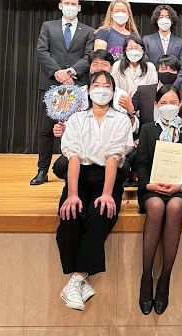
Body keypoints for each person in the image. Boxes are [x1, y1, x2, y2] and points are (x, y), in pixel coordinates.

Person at [56, 71, 134, 311]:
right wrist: (72, 194)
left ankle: (76, 278)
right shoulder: (77, 119)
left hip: (107, 177)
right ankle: (80, 279)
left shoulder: (121, 120)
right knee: (70, 214)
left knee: (101, 213)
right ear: (88, 91)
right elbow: (74, 157)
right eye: (96, 85)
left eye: (107, 86)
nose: (101, 89)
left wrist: (107, 193)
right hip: (79, 175)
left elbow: (113, 157)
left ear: (113, 92)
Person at [136, 85, 182, 315]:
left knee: (174, 207)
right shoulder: (147, 129)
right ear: (156, 105)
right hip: (151, 187)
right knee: (155, 206)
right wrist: (148, 184)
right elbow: (141, 163)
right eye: (163, 103)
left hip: (179, 188)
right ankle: (146, 276)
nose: (168, 106)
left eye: (173, 102)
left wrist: (181, 186)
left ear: (180, 105)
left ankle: (165, 277)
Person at [31, 0, 94, 186]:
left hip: (77, 85)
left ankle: (78, 169)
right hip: (52, 84)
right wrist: (58, 72)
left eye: (74, 4)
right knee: (47, 130)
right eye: (67, 3)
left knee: (77, 128)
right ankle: (42, 171)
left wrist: (71, 72)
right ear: (60, 6)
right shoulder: (48, 26)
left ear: (79, 8)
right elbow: (42, 51)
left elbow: (89, 56)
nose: (70, 7)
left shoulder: (88, 31)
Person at [52, 50, 135, 180]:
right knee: (60, 166)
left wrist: (131, 111)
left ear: (111, 68)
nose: (99, 68)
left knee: (123, 168)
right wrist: (62, 129)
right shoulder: (77, 95)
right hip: (83, 149)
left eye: (104, 64)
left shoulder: (122, 96)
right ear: (90, 68)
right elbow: (70, 126)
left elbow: (130, 130)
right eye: (95, 64)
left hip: (110, 149)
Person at [132, 55, 182, 128]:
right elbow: (130, 112)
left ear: (177, 73)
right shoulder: (142, 92)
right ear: (157, 70)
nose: (168, 72)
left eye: (172, 70)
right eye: (164, 69)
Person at [143, 5, 182, 89]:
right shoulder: (147, 40)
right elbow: (146, 64)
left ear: (172, 21)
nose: (164, 19)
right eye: (161, 17)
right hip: (153, 85)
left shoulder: (180, 42)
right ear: (156, 20)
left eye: (167, 17)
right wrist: (156, 84)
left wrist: (174, 86)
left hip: (174, 88)